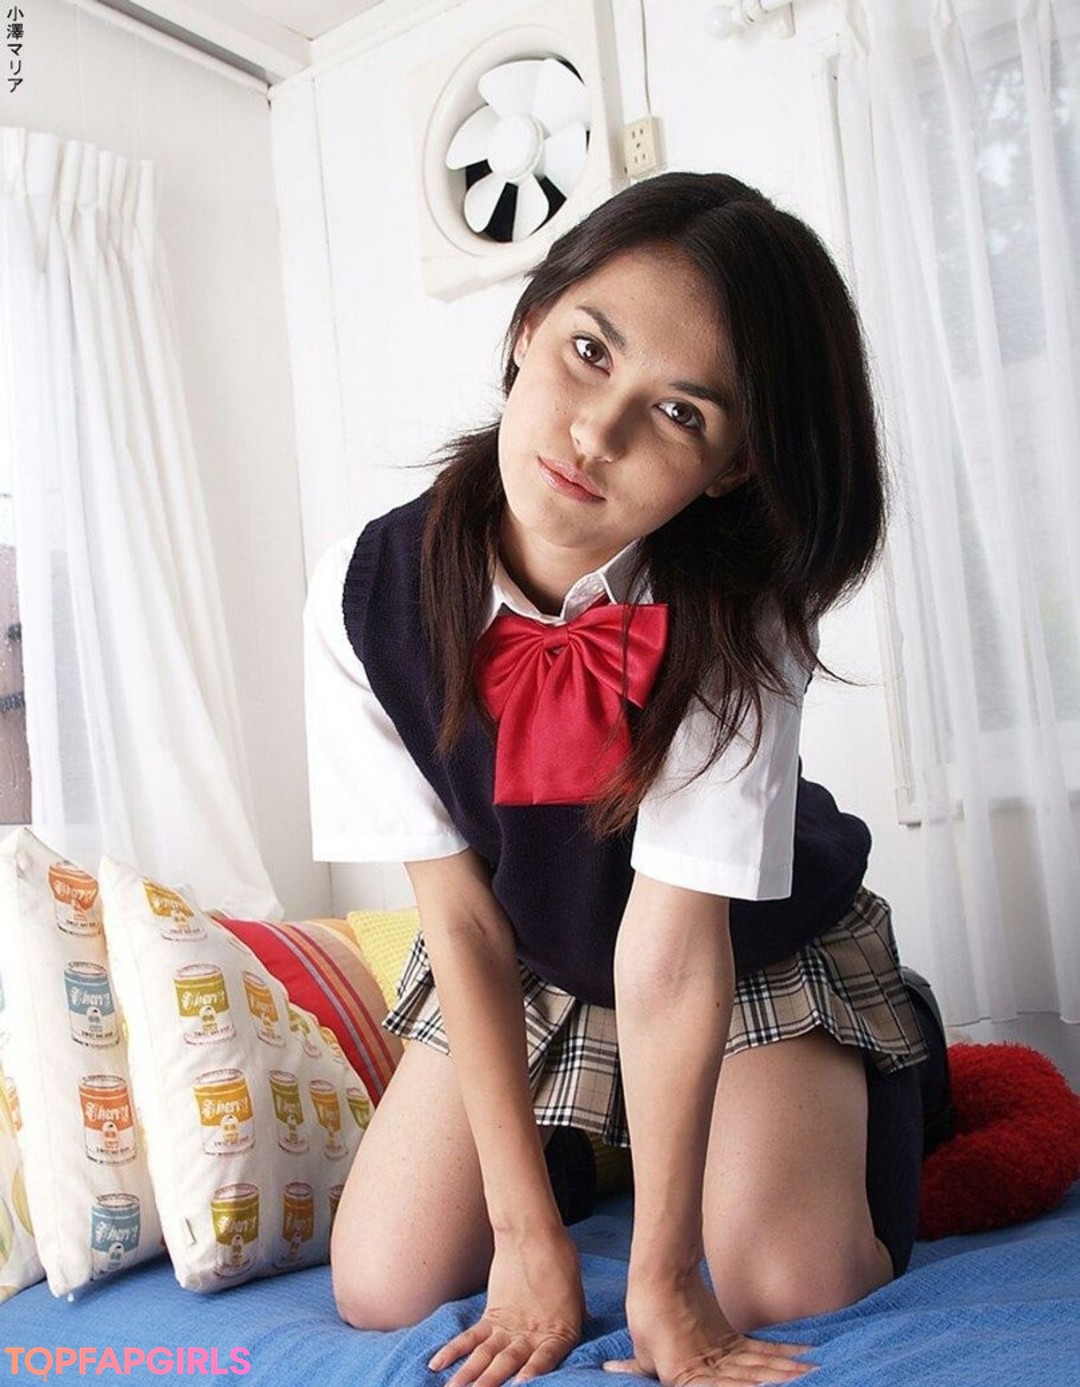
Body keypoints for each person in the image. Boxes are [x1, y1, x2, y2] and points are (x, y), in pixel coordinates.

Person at [304, 171, 937, 1387]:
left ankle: (880, 1058)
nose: (598, 433)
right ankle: (596, 1144)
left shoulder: (742, 611)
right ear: (528, 324)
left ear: (731, 466)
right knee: (381, 1282)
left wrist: (662, 1278)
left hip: (735, 949)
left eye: (680, 412)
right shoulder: (361, 593)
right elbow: (461, 923)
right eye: (589, 352)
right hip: (531, 954)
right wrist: (524, 1234)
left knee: (784, 1283)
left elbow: (673, 953)